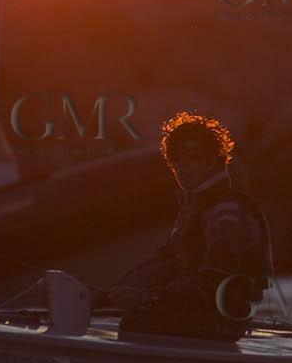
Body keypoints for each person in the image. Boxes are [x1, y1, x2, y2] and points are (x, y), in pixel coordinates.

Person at [105, 111, 273, 341]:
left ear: (213, 160)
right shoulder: (194, 207)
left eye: (192, 157)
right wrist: (109, 295)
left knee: (135, 324)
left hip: (222, 320)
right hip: (194, 310)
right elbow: (165, 260)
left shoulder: (227, 213)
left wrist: (147, 299)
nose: (182, 167)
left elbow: (213, 285)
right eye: (176, 159)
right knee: (132, 316)